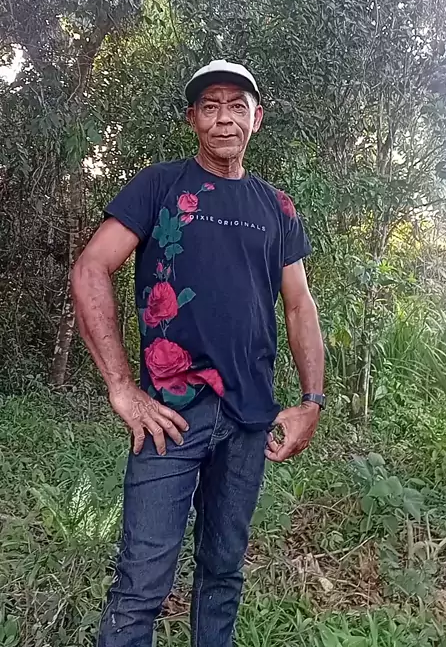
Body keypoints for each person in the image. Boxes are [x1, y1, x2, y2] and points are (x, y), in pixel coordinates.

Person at [72, 59, 325, 647]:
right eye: (210, 107)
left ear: (257, 119)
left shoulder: (277, 208)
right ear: (192, 119)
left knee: (223, 573)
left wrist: (311, 400)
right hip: (170, 417)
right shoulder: (159, 187)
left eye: (237, 106)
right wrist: (121, 386)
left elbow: (299, 306)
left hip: (249, 419)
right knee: (141, 584)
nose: (223, 119)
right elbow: (91, 268)